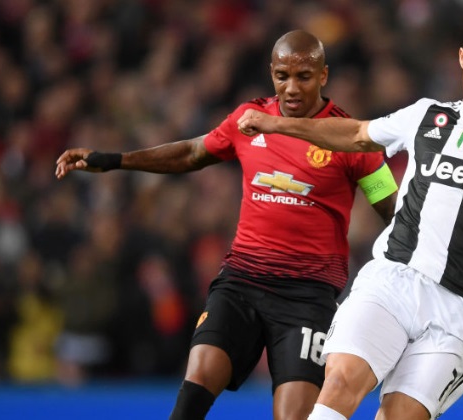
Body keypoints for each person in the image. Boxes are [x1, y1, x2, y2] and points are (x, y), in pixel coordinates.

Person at [238, 15, 463, 420]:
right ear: (462, 58)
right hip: (391, 281)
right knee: (339, 383)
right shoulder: (426, 116)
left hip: (458, 311)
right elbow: (356, 134)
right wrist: (279, 125)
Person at [55, 30, 398, 420]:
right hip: (242, 281)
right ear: (271, 73)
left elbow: (394, 211)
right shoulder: (248, 120)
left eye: (303, 76)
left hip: (307, 297)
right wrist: (115, 160)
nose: (291, 87)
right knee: (197, 383)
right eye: (282, 75)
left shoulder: (351, 138)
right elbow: (191, 153)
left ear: (323, 76)